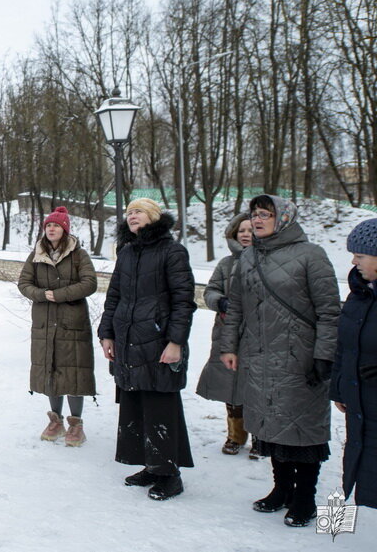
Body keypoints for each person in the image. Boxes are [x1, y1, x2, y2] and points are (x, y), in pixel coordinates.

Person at [220, 195, 340, 527]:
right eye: (254, 214)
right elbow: (237, 309)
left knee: (302, 429)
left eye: (265, 215)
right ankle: (282, 490)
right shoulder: (248, 257)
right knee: (271, 426)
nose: (257, 220)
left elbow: (330, 311)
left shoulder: (311, 255)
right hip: (259, 358)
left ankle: (305, 499)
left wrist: (324, 355)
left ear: (283, 218)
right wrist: (229, 347)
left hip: (299, 359)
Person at [98, 198, 195, 501]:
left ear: (153, 216)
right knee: (135, 406)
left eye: (137, 211)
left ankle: (170, 474)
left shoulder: (172, 251)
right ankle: (151, 466)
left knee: (159, 407)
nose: (131, 216)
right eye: (127, 213)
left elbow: (183, 300)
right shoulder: (127, 252)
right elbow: (114, 296)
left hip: (158, 344)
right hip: (128, 342)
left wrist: (176, 342)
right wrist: (106, 334)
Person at [17, 207, 97, 447]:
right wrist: (42, 295)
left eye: (56, 225)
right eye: (48, 225)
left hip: (71, 323)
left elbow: (90, 283)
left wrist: (58, 295)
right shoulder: (36, 255)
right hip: (44, 323)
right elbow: (24, 283)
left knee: (74, 372)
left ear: (65, 229)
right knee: (49, 370)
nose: (51, 228)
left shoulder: (78, 255)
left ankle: (76, 424)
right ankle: (55, 420)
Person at [195, 212, 257, 456]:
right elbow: (210, 291)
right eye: (241, 230)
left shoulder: (270, 261)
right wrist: (220, 302)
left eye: (251, 230)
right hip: (227, 332)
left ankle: (261, 437)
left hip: (257, 335)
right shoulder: (226, 264)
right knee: (230, 385)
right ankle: (235, 435)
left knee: (256, 386)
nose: (245, 235)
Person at [331, 218, 377, 509]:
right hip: (361, 401)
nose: (353, 261)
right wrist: (338, 387)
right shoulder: (360, 294)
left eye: (360, 255)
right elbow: (345, 345)